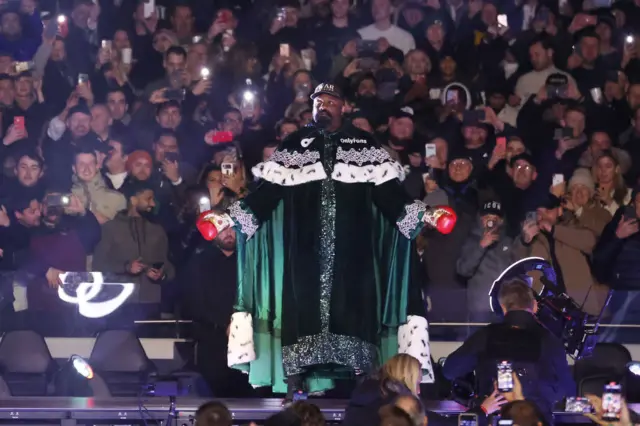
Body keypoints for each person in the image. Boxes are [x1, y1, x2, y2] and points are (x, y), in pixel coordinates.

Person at [196, 83, 457, 397]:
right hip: (303, 256)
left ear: (343, 106)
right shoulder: (295, 144)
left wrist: (427, 215)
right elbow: (265, 197)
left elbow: (391, 198)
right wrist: (226, 216)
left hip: (354, 257)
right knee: (299, 317)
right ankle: (295, 391)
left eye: (330, 101)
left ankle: (364, 391)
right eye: (318, 101)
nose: (323, 106)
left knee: (357, 319)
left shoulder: (364, 145)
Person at [442, 280, 575, 421]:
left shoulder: (484, 336)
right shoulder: (550, 341)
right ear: (535, 306)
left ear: (503, 308)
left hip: (494, 419)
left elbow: (450, 371)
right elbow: (567, 390)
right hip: (536, 420)